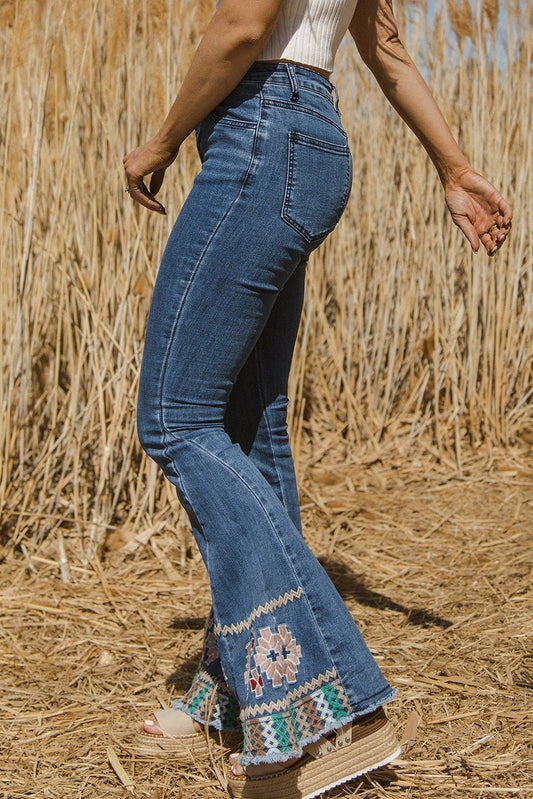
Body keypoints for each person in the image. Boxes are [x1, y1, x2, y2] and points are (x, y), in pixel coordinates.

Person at [123, 1, 512, 797]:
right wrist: (453, 166)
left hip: (261, 133)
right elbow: (385, 46)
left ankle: (332, 703)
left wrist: (162, 141)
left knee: (174, 418)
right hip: (307, 137)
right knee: (248, 423)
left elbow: (243, 25)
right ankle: (244, 689)